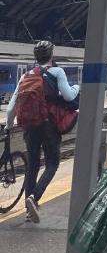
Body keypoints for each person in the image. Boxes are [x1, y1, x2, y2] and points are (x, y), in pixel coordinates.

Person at [6, 40, 79, 223]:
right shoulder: (57, 72)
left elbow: (10, 109)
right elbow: (69, 95)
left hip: (30, 126)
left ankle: (29, 212)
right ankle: (34, 197)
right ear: (51, 55)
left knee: (32, 166)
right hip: (48, 125)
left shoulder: (26, 76)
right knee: (53, 163)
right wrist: (77, 87)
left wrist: (8, 126)